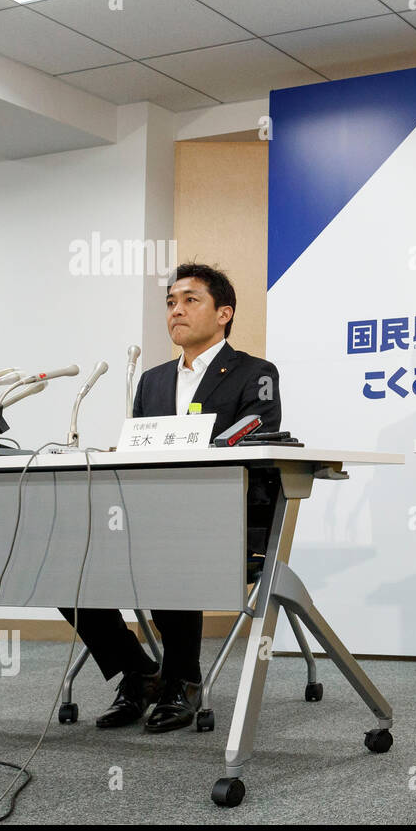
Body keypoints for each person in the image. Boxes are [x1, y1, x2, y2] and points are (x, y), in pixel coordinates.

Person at [61, 263, 281, 733]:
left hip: (226, 519)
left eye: (190, 300)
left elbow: (256, 443)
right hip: (150, 514)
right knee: (63, 561)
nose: (176, 310)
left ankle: (184, 679)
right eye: (170, 302)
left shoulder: (255, 373)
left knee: (167, 551)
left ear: (224, 313)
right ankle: (139, 672)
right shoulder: (154, 380)